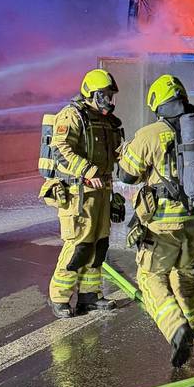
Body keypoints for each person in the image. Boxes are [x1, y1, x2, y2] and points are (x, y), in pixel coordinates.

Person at [117, 74, 194, 368]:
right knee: (184, 272)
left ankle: (177, 329)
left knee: (150, 277)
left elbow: (127, 175)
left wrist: (127, 151)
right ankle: (191, 324)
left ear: (157, 104)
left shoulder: (150, 134)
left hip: (162, 223)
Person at [40, 69, 126, 319]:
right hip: (78, 192)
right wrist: (87, 170)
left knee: (99, 245)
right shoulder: (72, 115)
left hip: (101, 191)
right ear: (91, 93)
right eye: (104, 95)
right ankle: (59, 296)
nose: (109, 100)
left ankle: (90, 295)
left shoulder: (106, 120)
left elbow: (118, 153)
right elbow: (61, 147)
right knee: (79, 244)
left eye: (111, 96)